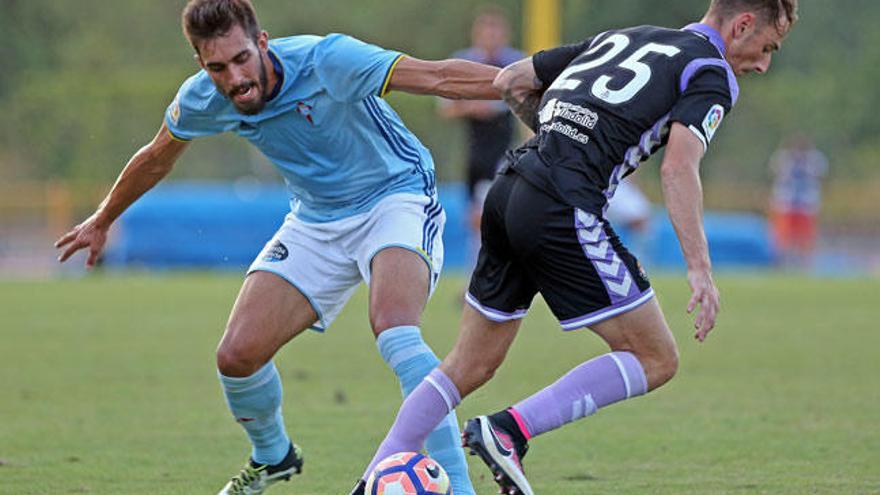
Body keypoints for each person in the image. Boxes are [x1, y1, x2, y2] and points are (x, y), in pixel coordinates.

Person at [53, 1, 502, 494]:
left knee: (395, 328)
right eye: (217, 68)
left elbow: (436, 77)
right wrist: (103, 218)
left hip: (395, 195)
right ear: (202, 66)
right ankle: (274, 457)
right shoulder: (205, 98)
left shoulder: (329, 60)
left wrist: (523, 81)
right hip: (315, 218)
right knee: (237, 356)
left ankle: (459, 487)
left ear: (262, 41)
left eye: (242, 59)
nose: (235, 79)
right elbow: (156, 157)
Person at [356, 1, 798, 494]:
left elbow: (510, 81)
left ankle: (372, 478)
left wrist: (556, 133)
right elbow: (678, 168)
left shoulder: (626, 36)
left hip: (510, 185)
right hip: (562, 202)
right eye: (767, 47)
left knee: (470, 364)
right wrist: (700, 268)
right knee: (656, 357)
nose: (763, 63)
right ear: (741, 26)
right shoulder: (711, 71)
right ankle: (509, 430)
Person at [437, 5, 525, 271]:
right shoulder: (463, 62)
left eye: (495, 31)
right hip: (477, 151)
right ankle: (479, 276)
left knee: (493, 213)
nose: (491, 37)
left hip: (506, 149)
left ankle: (490, 276)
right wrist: (472, 107)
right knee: (478, 216)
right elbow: (445, 108)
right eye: (486, 31)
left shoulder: (518, 64)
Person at [769, 133, 828, 268]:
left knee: (804, 236)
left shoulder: (814, 160)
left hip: (806, 203)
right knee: (784, 235)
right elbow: (777, 173)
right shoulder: (783, 159)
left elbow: (819, 175)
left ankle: (804, 262)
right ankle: (784, 261)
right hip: (786, 203)